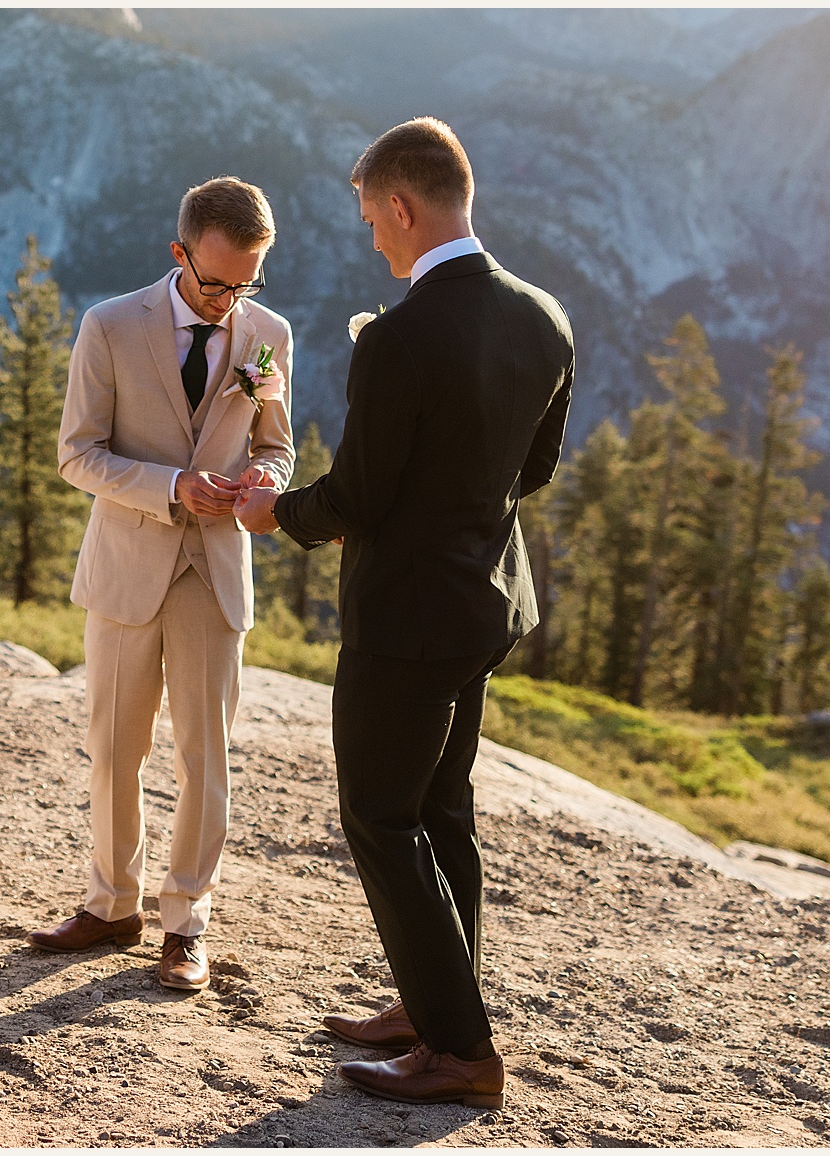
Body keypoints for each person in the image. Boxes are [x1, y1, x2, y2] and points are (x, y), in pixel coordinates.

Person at [234, 117, 572, 1108]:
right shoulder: (544, 315)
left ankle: (461, 1052)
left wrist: (272, 512)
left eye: (371, 221)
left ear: (401, 208)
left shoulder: (400, 337)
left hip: (404, 620)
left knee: (380, 815)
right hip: (481, 606)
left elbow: (359, 499)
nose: (372, 240)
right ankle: (432, 1003)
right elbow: (534, 470)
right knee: (440, 809)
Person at [30, 178, 295, 993]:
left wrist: (261, 478)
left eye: (245, 282)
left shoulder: (269, 334)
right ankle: (112, 903)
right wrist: (171, 485)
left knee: (203, 756)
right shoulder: (108, 326)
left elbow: (280, 446)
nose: (228, 300)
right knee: (114, 747)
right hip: (126, 566)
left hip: (214, 571)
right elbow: (78, 454)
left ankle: (187, 924)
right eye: (215, 281)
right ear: (179, 254)